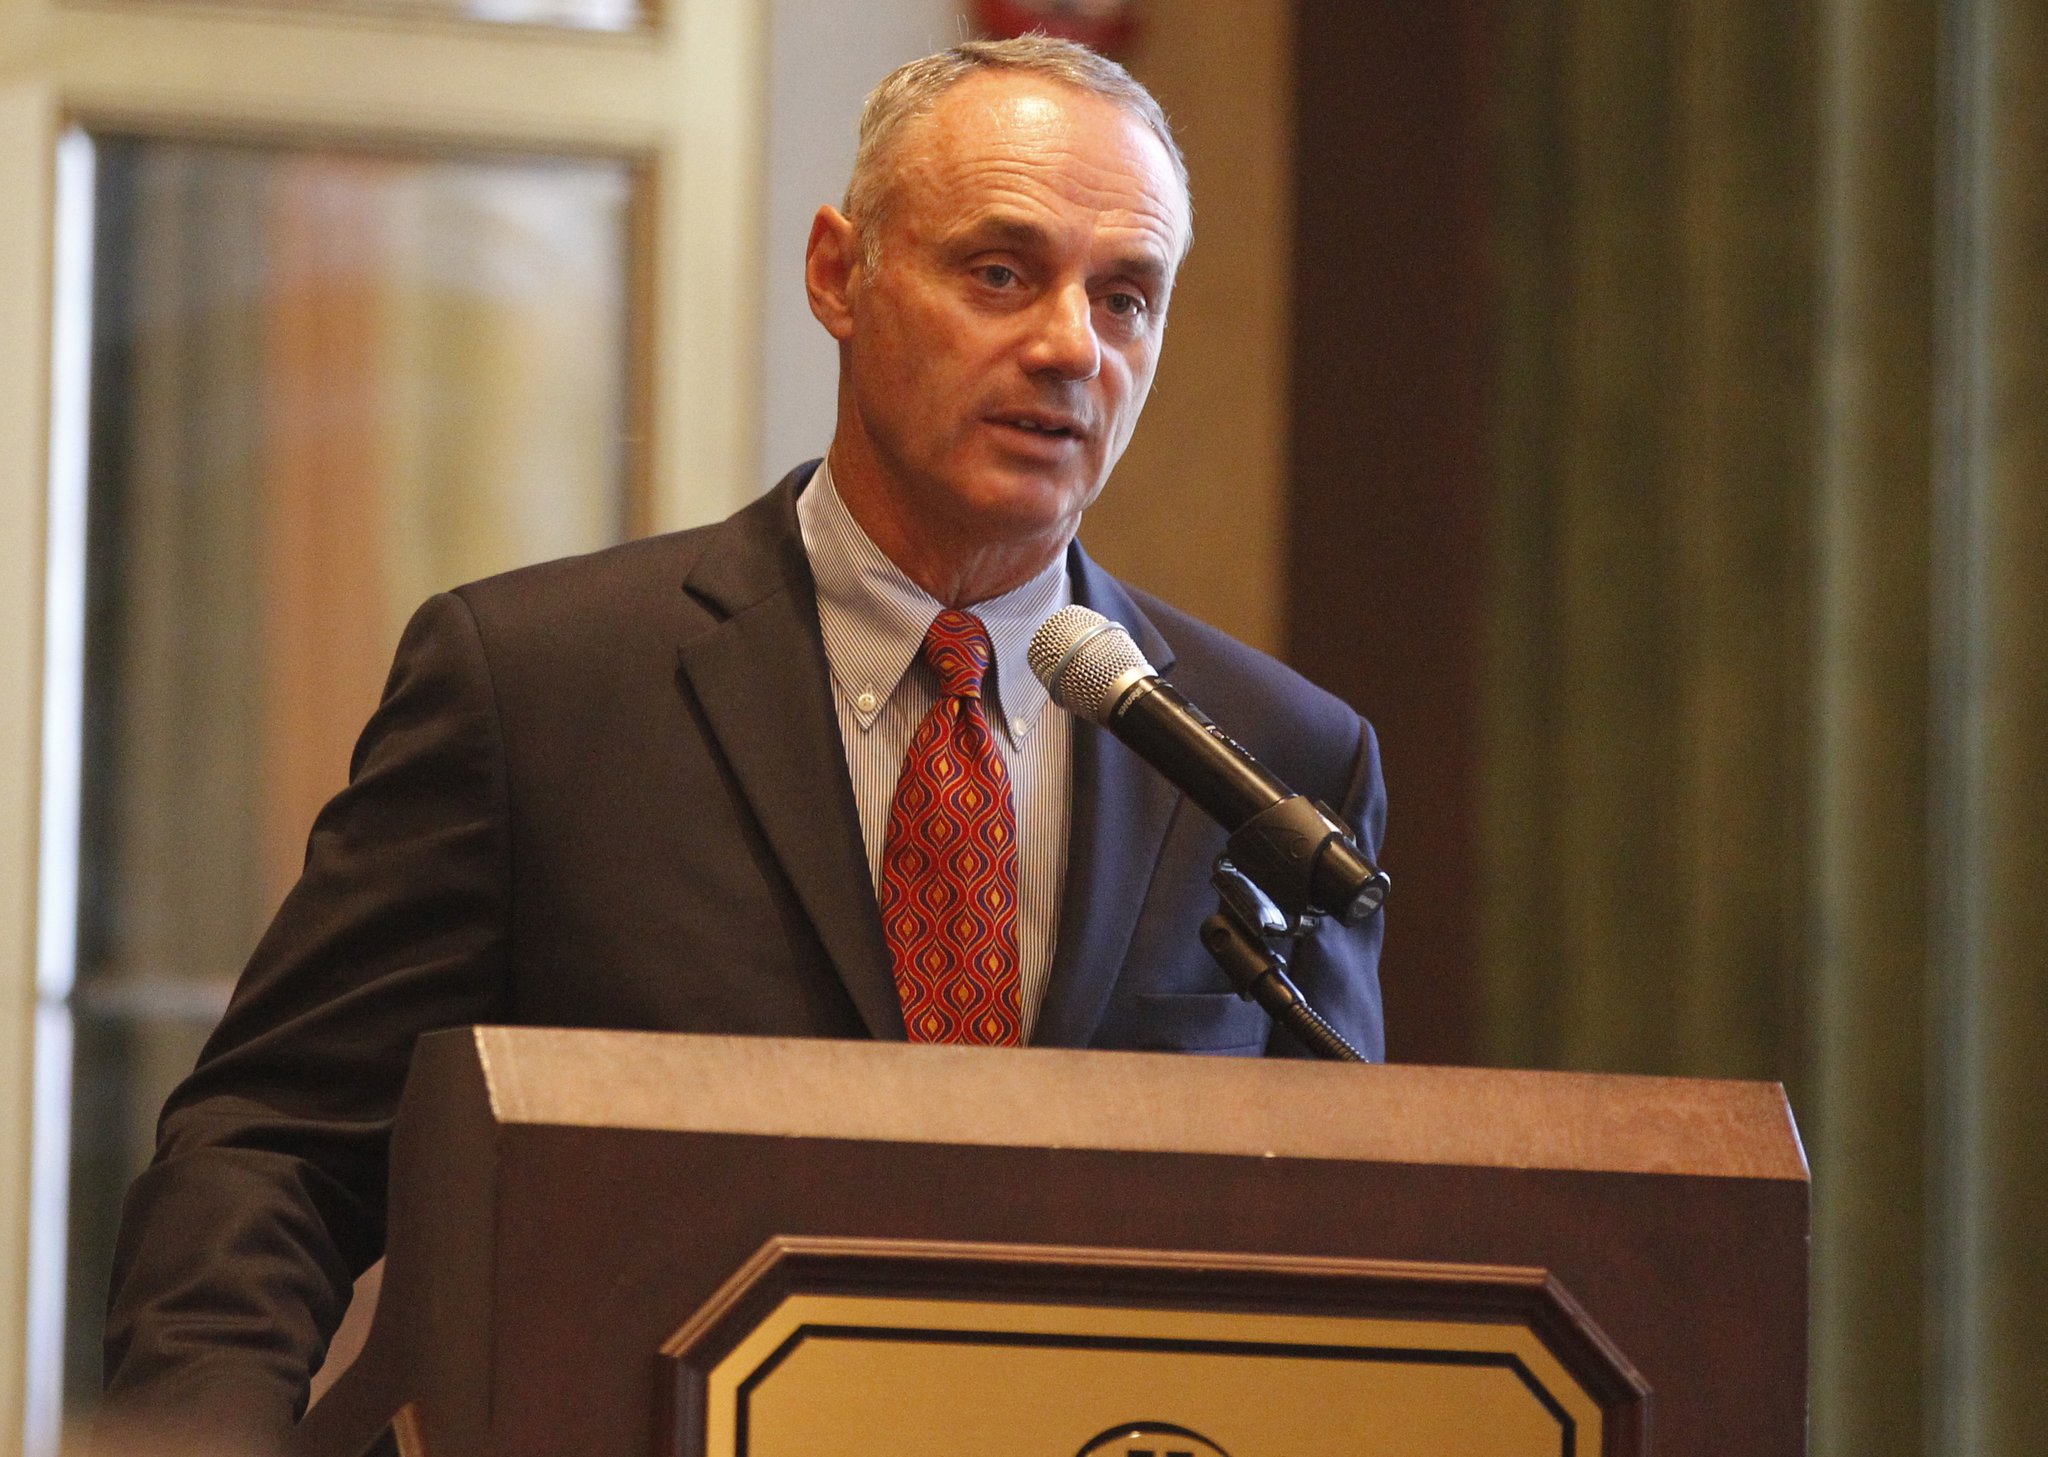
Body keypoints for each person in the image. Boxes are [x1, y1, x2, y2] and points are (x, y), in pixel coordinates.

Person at [99, 34, 1386, 1451]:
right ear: (840, 273)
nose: (1072, 345)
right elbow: (271, 1151)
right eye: (1001, 272)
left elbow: (1348, 1243)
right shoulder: (537, 689)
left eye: (1126, 296)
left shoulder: (1271, 762)